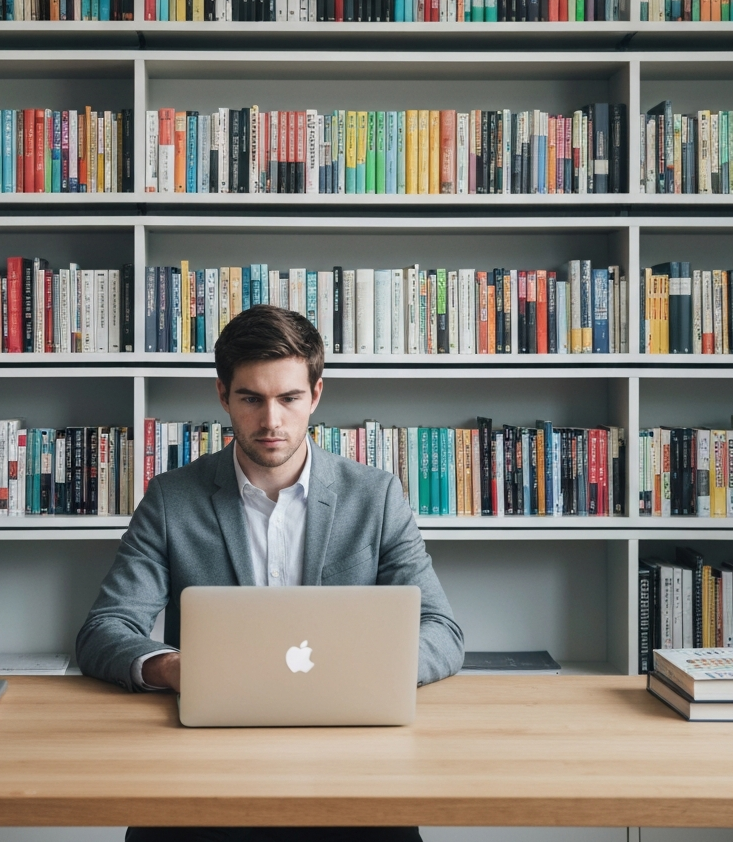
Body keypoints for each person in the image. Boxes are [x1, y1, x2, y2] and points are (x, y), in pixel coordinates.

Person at [76, 304, 464, 842]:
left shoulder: (375, 496)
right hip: (205, 763)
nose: (271, 421)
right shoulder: (172, 498)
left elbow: (442, 630)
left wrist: (372, 670)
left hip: (352, 759)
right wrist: (171, 668)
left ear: (316, 395)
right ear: (222, 396)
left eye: (289, 398)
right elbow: (103, 631)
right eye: (251, 399)